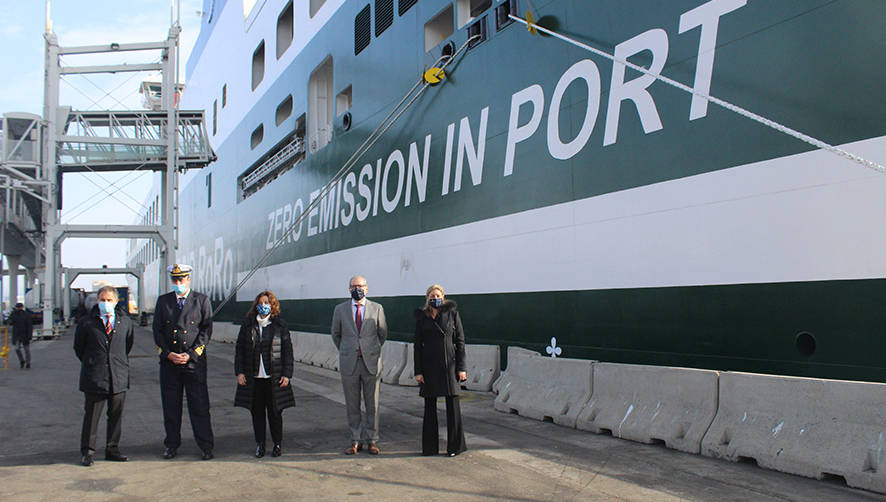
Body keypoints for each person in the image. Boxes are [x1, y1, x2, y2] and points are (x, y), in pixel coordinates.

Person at [153, 264, 215, 460]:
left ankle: (206, 446)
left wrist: (191, 354)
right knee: (171, 407)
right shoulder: (164, 302)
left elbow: (206, 331)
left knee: (199, 406)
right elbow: (157, 331)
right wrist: (167, 353)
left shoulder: (201, 300)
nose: (178, 283)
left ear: (189, 279)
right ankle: (171, 444)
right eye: (175, 280)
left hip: (193, 363)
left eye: (181, 280)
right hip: (170, 363)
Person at [73, 286, 135, 466]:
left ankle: (112, 449)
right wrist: (93, 363)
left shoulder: (125, 322)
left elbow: (127, 345)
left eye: (109, 300)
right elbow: (79, 349)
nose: (105, 304)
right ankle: (88, 451)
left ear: (116, 302)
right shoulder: (87, 323)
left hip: (118, 376)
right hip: (95, 377)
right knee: (92, 417)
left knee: (116, 416)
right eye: (102, 300)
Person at [234, 290, 295, 458]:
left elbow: (287, 351)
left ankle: (277, 444)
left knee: (275, 413)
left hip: (273, 378)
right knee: (257, 413)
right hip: (254, 378)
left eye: (267, 303)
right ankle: (260, 444)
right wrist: (239, 372)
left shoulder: (280, 325)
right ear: (256, 306)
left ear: (272, 305)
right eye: (260, 303)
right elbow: (239, 349)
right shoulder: (248, 325)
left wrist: (287, 374)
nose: (263, 306)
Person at [331, 275, 387, 455]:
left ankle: (372, 440)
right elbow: (336, 334)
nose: (358, 289)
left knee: (373, 404)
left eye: (361, 286)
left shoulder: (377, 308)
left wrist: (370, 350)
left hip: (371, 363)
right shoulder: (340, 310)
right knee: (352, 404)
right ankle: (355, 440)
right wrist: (349, 350)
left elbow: (382, 333)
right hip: (350, 363)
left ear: (367, 288)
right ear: (349, 289)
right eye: (354, 286)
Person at [414, 284, 467, 457]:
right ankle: (430, 448)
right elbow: (417, 346)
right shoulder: (422, 317)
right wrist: (418, 371)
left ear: (443, 298)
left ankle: (455, 447)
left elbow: (460, 342)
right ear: (427, 298)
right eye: (431, 295)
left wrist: (461, 368)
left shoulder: (452, 314)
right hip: (429, 367)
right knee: (429, 408)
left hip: (449, 366)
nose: (434, 298)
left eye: (437, 295)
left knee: (453, 407)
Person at [7, 302, 33, 369]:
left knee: (27, 350)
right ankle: (22, 361)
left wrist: (30, 335)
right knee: (17, 349)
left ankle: (28, 363)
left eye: (19, 307)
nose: (18, 308)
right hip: (17, 335)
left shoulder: (26, 314)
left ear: (22, 307)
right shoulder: (14, 314)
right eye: (17, 307)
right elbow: (9, 322)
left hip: (25, 334)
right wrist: (11, 317)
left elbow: (30, 326)